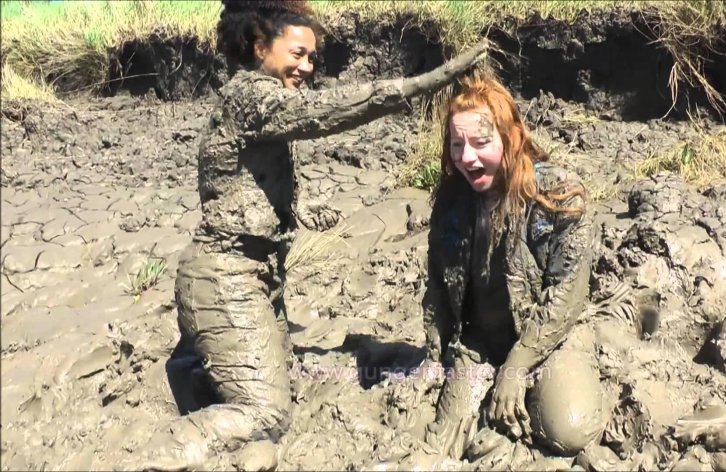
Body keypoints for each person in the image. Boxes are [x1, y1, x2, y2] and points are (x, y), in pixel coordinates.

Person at [119, 1, 489, 469]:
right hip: (223, 280)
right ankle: (149, 453)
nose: (308, 67)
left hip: (254, 279)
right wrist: (425, 82)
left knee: (283, 380)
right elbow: (329, 112)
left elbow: (243, 179)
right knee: (266, 413)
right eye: (298, 53)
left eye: (313, 58)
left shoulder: (257, 105)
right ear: (258, 46)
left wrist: (302, 209)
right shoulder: (249, 96)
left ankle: (194, 376)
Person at [420, 76, 609, 461]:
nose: (467, 158)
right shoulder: (452, 199)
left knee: (568, 429)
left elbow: (566, 297)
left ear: (512, 137)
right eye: (457, 146)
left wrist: (517, 366)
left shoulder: (558, 197)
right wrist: (433, 357)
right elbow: (439, 285)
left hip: (549, 335)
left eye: (480, 143)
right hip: (481, 343)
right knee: (445, 437)